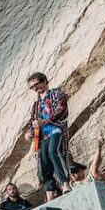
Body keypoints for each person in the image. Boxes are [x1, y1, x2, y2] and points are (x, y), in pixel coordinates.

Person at [26, 72, 71, 200]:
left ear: (45, 81)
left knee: (53, 151)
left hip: (56, 129)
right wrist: (29, 131)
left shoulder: (56, 94)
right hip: (42, 136)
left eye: (36, 84)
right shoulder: (36, 105)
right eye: (32, 87)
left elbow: (61, 110)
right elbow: (32, 121)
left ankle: (65, 183)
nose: (35, 88)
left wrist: (45, 121)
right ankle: (49, 195)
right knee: (44, 164)